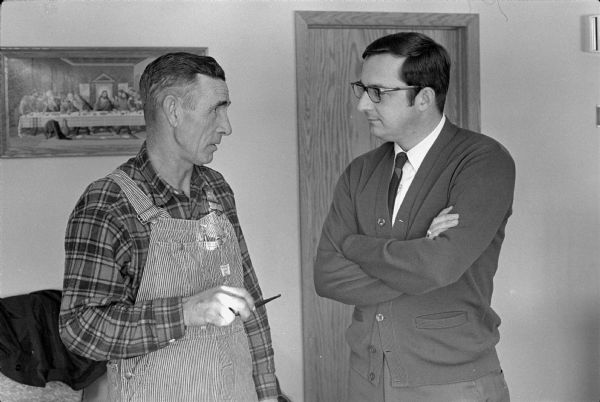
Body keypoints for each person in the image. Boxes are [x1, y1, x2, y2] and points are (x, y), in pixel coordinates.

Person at [59, 53, 280, 402]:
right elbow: (81, 328)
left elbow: (249, 297)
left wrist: (268, 393)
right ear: (174, 111)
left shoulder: (216, 189)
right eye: (216, 109)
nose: (227, 126)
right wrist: (186, 312)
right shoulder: (108, 203)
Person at [314, 32, 515, 402]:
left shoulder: (482, 161)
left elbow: (438, 268)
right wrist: (418, 254)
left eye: (378, 92)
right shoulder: (360, 171)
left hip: (452, 382)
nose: (362, 105)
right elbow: (327, 276)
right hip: (367, 378)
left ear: (423, 97)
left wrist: (354, 246)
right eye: (362, 88)